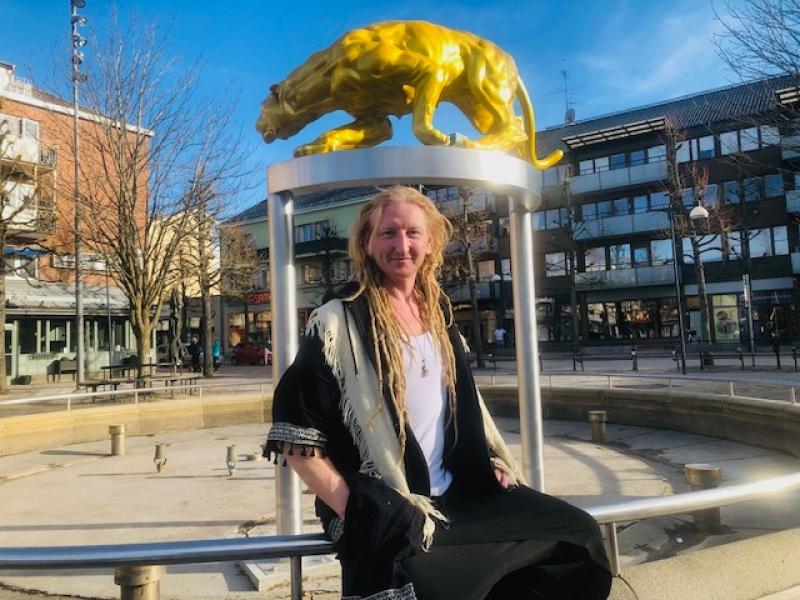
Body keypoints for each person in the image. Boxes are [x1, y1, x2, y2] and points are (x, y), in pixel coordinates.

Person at [265, 186, 611, 600]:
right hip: (390, 502)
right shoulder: (338, 321)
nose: (402, 245)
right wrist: (353, 508)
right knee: (423, 585)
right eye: (388, 233)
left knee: (577, 537)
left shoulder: (439, 311)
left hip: (461, 491)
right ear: (367, 243)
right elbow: (295, 433)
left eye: (413, 233)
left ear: (430, 244)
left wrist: (490, 459)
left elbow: (461, 407)